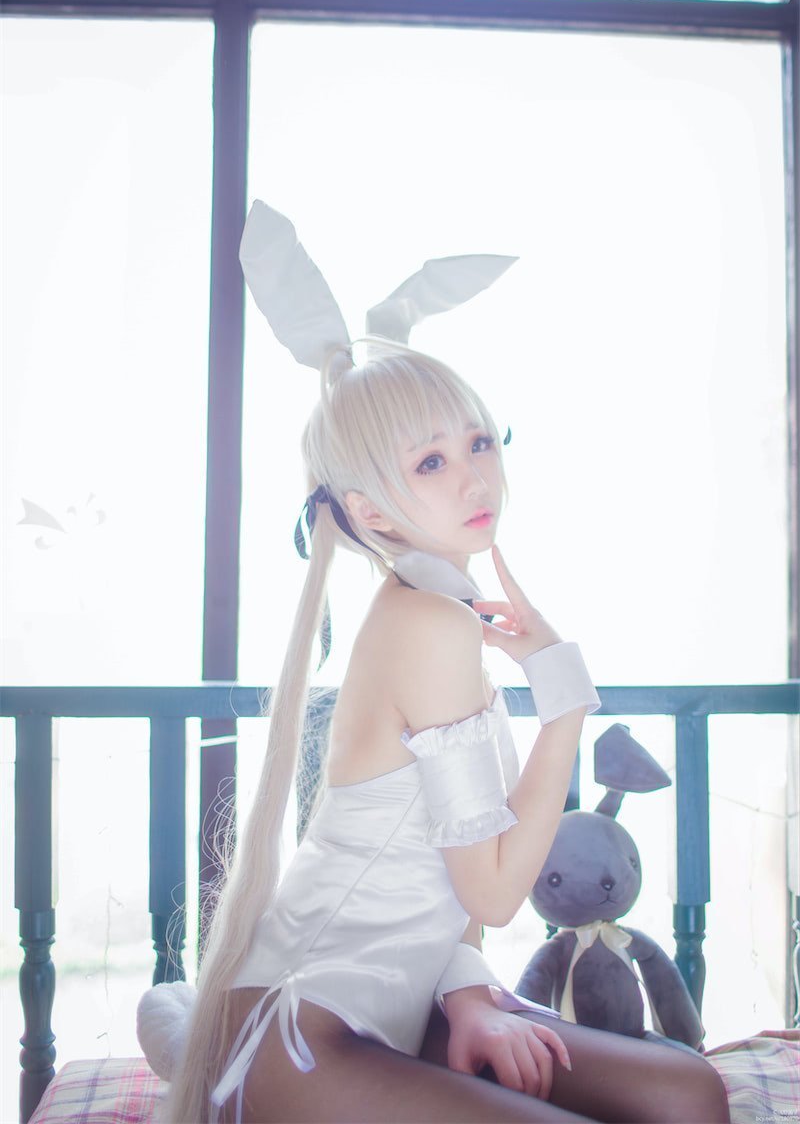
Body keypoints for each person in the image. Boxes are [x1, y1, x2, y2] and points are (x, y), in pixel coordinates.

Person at [161, 207, 729, 1124]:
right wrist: (563, 698)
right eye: (429, 461)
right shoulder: (426, 625)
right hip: (304, 1024)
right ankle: (190, 1031)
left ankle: (186, 1022)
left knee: (689, 1094)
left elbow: (445, 879)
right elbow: (496, 891)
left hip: (406, 1002)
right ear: (371, 513)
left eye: (478, 440)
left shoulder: (441, 612)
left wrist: (468, 994)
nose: (474, 476)